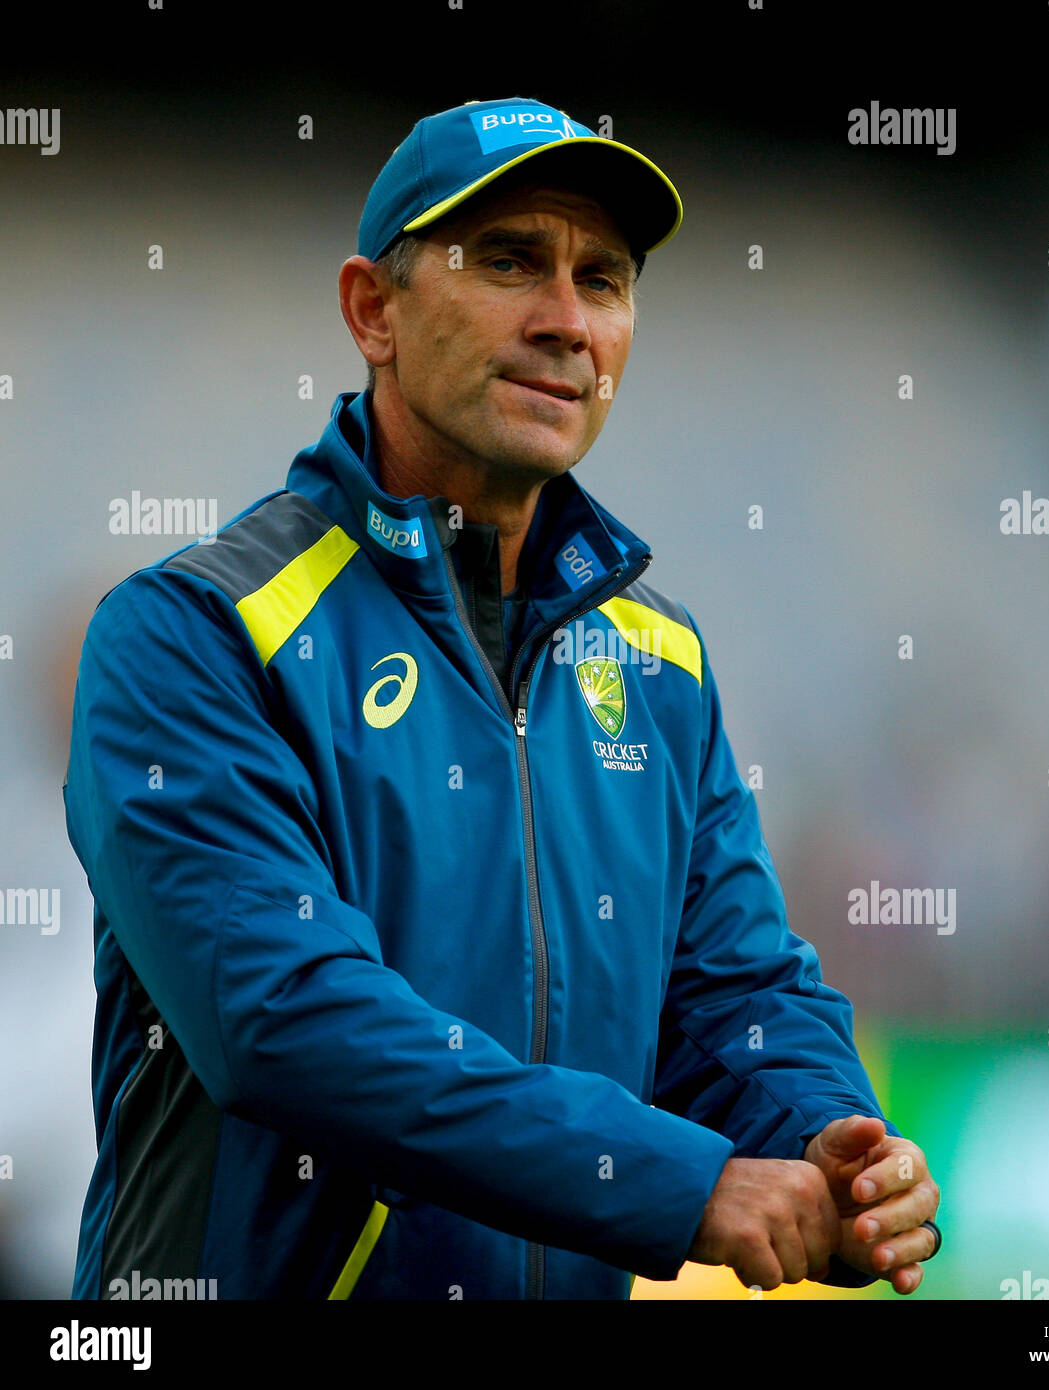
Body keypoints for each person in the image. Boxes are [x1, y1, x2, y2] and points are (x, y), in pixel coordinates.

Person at [63, 95, 940, 1301]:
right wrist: (680, 1182)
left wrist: (825, 1139)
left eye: (605, 278)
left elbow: (732, 992)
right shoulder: (196, 631)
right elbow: (287, 1021)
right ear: (373, 309)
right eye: (510, 260)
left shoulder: (657, 663)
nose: (568, 322)